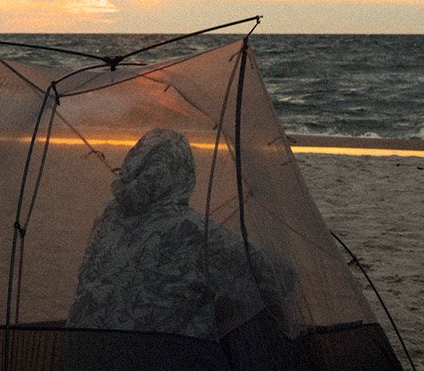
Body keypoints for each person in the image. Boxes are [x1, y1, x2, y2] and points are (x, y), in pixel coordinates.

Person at [67, 128, 294, 339]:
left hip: (82, 364)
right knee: (267, 308)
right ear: (184, 173)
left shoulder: (111, 218)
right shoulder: (191, 230)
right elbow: (280, 277)